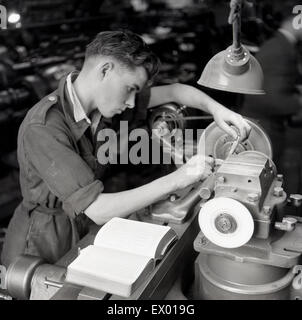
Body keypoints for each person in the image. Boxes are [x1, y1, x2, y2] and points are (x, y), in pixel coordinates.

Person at [1, 30, 251, 267]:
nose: (132, 102)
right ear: (105, 70)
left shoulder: (100, 106)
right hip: (40, 241)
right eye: (130, 88)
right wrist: (180, 177)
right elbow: (98, 210)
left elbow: (176, 91)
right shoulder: (44, 127)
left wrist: (220, 111)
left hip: (79, 227)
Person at [241, 12, 302, 195]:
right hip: (264, 129)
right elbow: (268, 99)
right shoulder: (280, 49)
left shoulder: (280, 45)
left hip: (268, 126)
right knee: (265, 186)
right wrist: (298, 102)